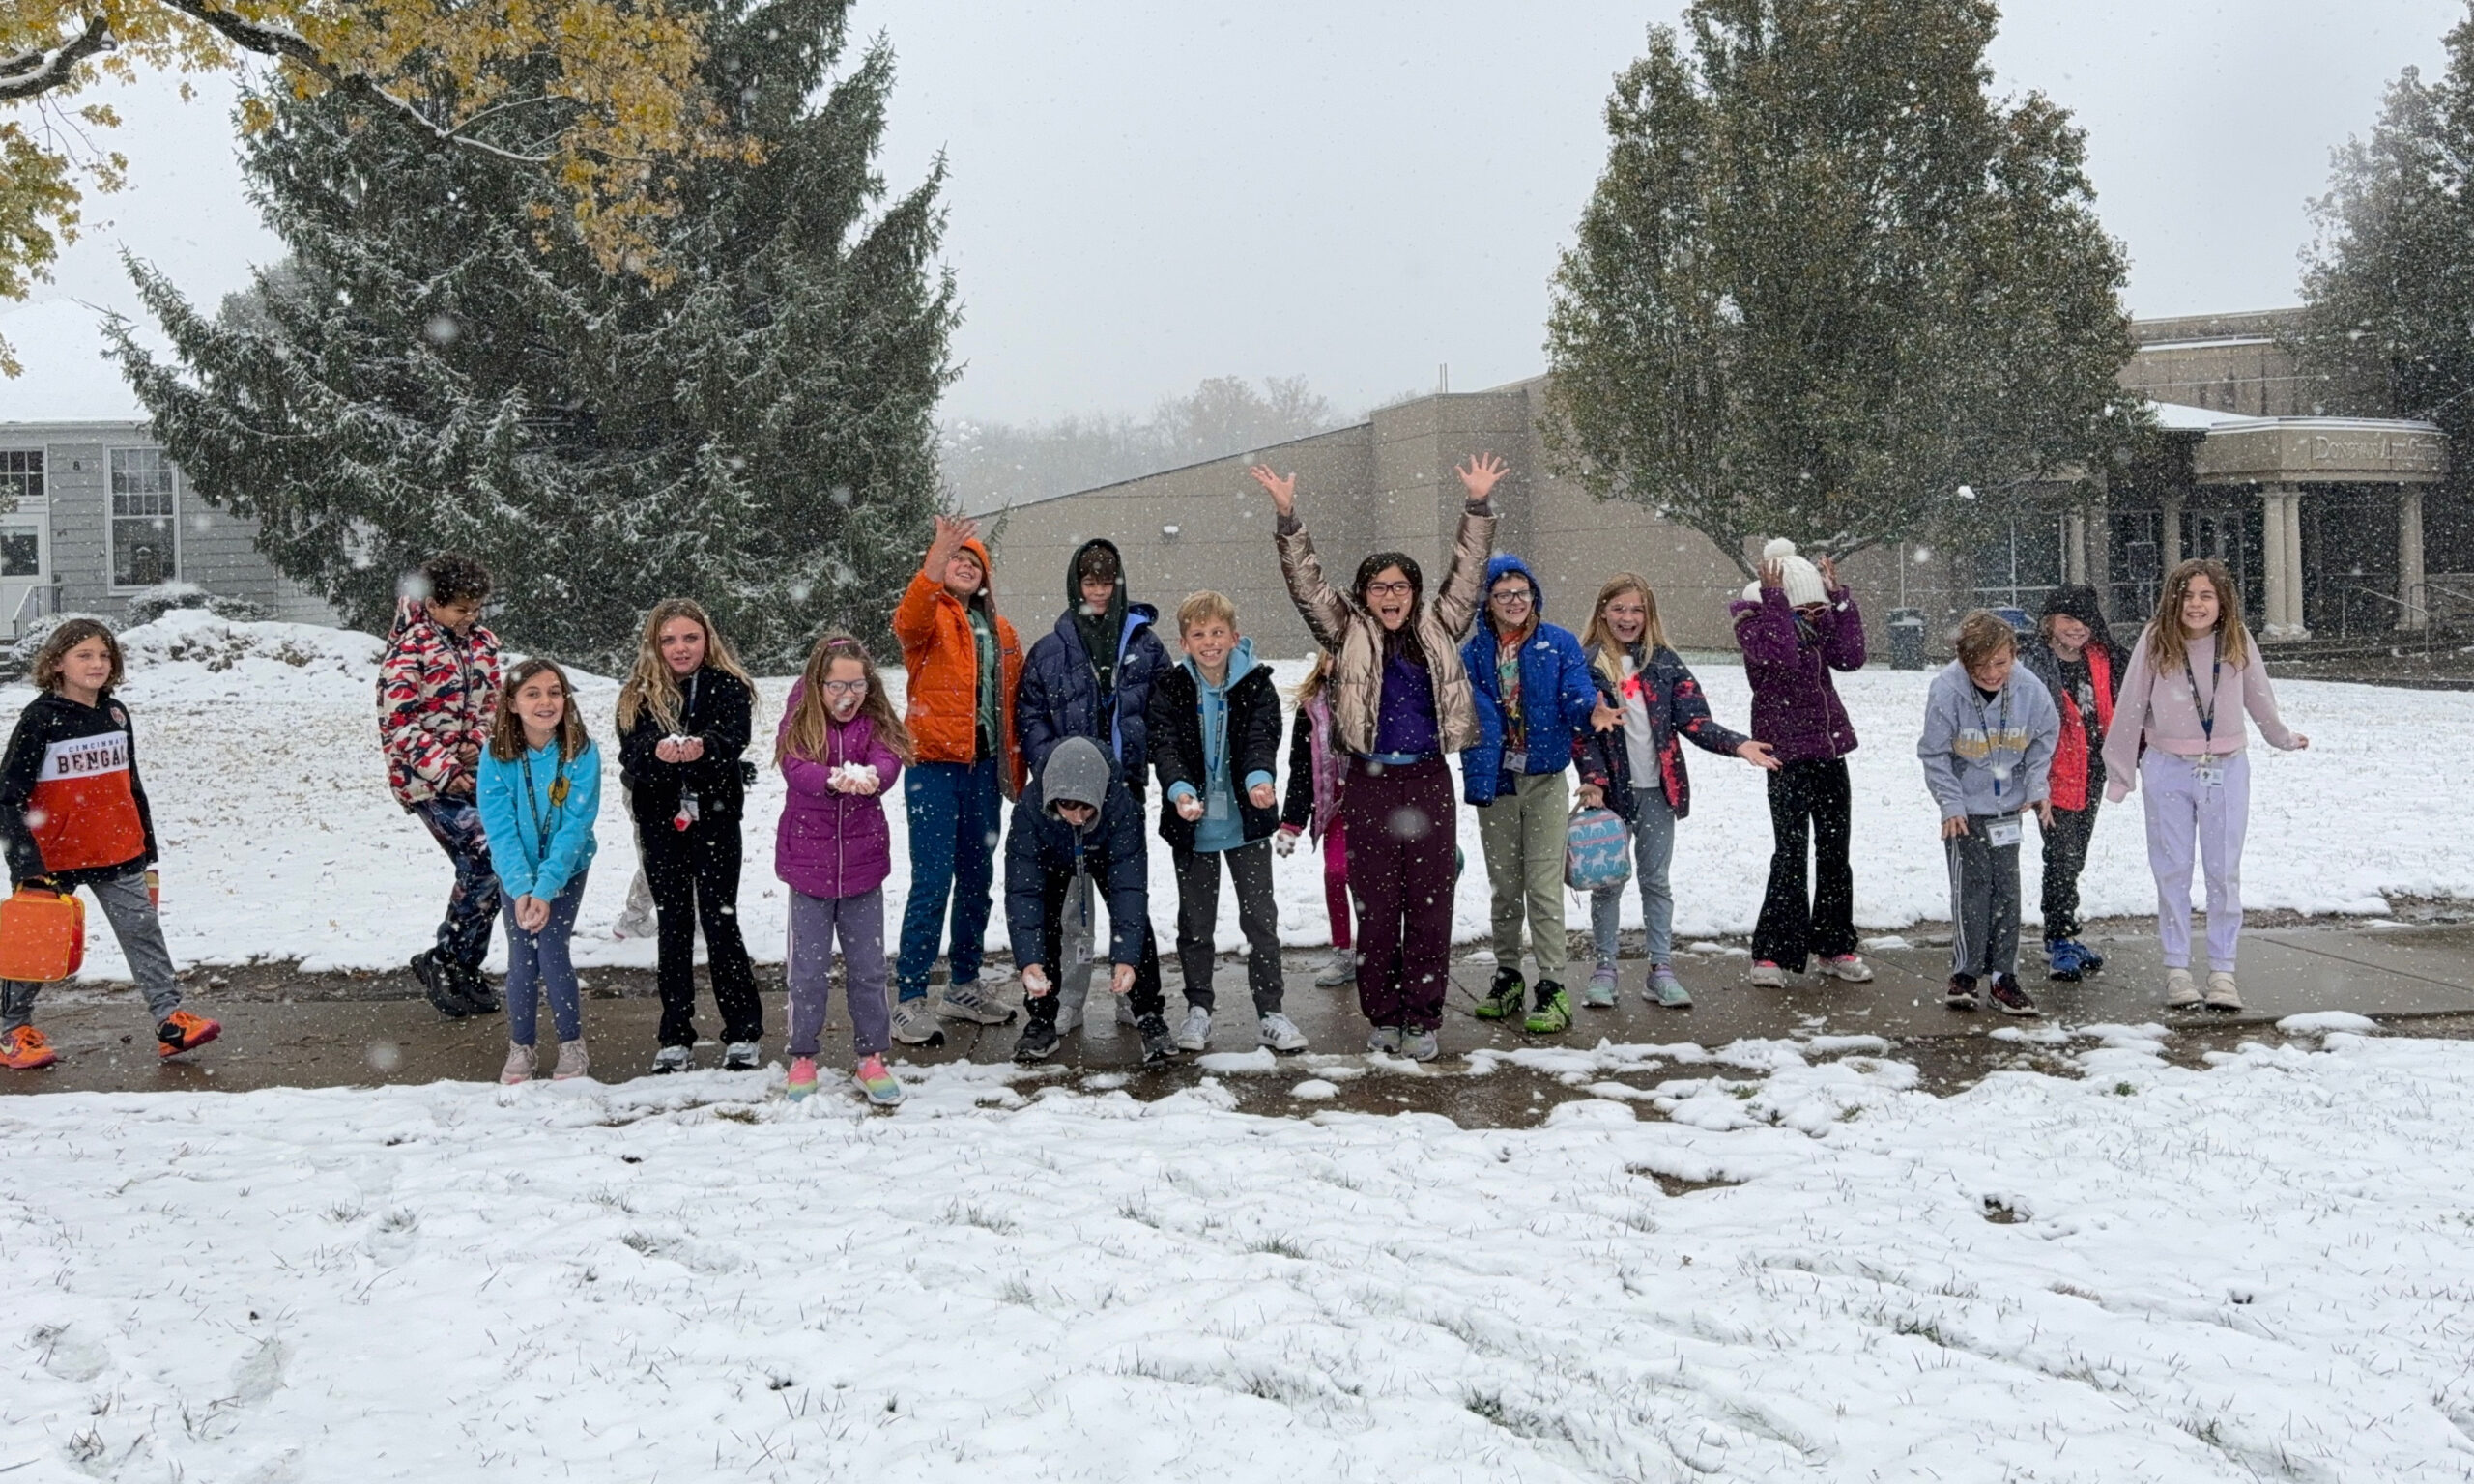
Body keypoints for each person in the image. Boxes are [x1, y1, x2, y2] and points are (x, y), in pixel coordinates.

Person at [1256, 451, 1502, 1063]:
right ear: (1364, 595)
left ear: (1414, 592)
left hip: (1428, 780)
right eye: (1379, 587)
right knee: (1377, 905)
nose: (1390, 596)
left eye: (1400, 586)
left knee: (1430, 905)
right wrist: (1289, 519)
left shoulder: (1441, 624)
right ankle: (1384, 1015)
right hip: (1367, 785)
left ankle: (1423, 1016)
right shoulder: (1348, 631)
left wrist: (1477, 507)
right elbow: (1307, 586)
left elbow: (1468, 572)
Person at [0, 619, 219, 1070]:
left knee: (144, 934)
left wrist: (147, 849)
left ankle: (170, 1022)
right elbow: (8, 795)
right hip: (52, 859)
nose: (97, 664)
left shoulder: (116, 713)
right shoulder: (40, 720)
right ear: (57, 664)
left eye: (104, 655)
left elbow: (130, 784)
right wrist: (27, 866)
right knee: (36, 946)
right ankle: (11, 1031)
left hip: (118, 851)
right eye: (84, 655)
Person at [2100, 558, 2310, 1012]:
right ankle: (2178, 969)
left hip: (2225, 768)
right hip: (2167, 768)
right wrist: (2120, 772)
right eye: (2188, 596)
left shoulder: (2236, 639)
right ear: (2173, 600)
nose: (2196, 605)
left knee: (2223, 872)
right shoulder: (2156, 640)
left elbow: (2259, 696)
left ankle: (2222, 971)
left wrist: (2281, 737)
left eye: (2206, 596)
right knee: (2172, 869)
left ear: (2222, 601)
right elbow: (2131, 705)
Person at [1572, 574, 1778, 1010]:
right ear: (1603, 611)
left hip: (1658, 792)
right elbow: (1580, 732)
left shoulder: (1663, 662)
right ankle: (1605, 970)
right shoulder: (1585, 663)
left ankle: (1660, 970)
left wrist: (1737, 744)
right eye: (1619, 608)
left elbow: (1694, 719)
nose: (1628, 618)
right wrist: (1593, 780)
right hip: (1609, 796)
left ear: (1649, 614)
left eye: (1637, 609)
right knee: (1607, 883)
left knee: (1656, 881)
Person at [1013, 537, 1168, 1035]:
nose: (1098, 591)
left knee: (1128, 900)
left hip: (1123, 798)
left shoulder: (1144, 645)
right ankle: (1062, 1001)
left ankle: (1138, 999)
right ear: (1075, 585)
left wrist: (1145, 768)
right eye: (1089, 582)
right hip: (1066, 804)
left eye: (1106, 582)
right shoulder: (1050, 650)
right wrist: (1059, 774)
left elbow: (1165, 715)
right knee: (1065, 912)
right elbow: (1030, 716)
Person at [1461, 555, 1621, 1034]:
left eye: (1522, 592)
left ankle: (1552, 986)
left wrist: (1590, 710)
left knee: (1544, 886)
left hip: (1546, 779)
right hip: (1495, 780)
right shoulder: (1473, 653)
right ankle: (1508, 976)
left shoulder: (1559, 643)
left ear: (1534, 596)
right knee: (1505, 887)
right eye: (1503, 594)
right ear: (1488, 601)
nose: (1515, 602)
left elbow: (1575, 691)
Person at [1149, 590, 1305, 1054]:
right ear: (1184, 643)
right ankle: (1198, 1009)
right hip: (1192, 823)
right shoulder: (1171, 687)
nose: (1209, 642)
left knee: (1260, 918)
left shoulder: (1256, 684)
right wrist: (1180, 791)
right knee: (1195, 923)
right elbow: (1165, 746)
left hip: (1245, 823)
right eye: (1199, 634)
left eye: (1218, 632)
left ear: (1235, 637)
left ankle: (1271, 1012)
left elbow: (1261, 738)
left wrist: (1260, 781)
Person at [892, 514, 1026, 1045]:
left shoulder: (1002, 630)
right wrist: (934, 560)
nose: (965, 566)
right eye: (956, 559)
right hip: (933, 768)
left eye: (974, 562)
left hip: (984, 771)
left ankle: (964, 986)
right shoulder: (929, 619)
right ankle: (909, 997)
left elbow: (1017, 696)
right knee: (931, 882)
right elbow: (908, 619)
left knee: (976, 880)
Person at [617, 599, 762, 1073]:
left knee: (721, 920)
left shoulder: (729, 685)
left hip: (716, 817)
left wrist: (704, 749)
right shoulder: (638, 693)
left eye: (690, 638)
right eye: (669, 640)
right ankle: (675, 1035)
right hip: (661, 821)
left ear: (707, 639)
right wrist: (658, 754)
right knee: (674, 924)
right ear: (654, 644)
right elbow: (631, 752)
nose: (680, 648)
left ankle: (743, 1031)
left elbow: (733, 738)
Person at [775, 634, 910, 1107]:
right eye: (837, 686)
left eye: (856, 685)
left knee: (869, 970)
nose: (847, 696)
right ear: (818, 684)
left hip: (863, 866)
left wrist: (875, 776)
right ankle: (802, 1056)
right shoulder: (801, 715)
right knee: (807, 972)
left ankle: (871, 1056)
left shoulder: (874, 719)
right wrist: (831, 779)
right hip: (808, 868)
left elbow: (888, 758)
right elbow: (794, 765)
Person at [1733, 538, 1874, 988]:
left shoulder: (1816, 621)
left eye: (1818, 610)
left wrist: (1839, 600)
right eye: (1805, 610)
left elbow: (1851, 657)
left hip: (1829, 752)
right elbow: (1782, 657)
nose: (1814, 617)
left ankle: (1834, 945)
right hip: (1784, 756)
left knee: (1835, 853)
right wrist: (1777, 602)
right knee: (1790, 853)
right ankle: (1772, 952)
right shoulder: (1755, 624)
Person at [380, 553, 506, 1019]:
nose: (470, 617)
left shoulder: (483, 644)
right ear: (433, 604)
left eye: (476, 608)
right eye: (460, 609)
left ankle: (461, 963)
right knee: (485, 854)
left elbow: (492, 705)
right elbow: (399, 723)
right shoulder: (409, 650)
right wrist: (447, 768)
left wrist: (476, 742)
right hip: (426, 782)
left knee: (497, 864)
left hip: (474, 773)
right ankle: (446, 958)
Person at [1919, 612, 2060, 1016]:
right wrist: (1951, 803)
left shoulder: (2030, 690)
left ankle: (2004, 977)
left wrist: (2036, 787)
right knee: (1972, 889)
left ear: (2014, 654)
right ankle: (1964, 974)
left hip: (2008, 810)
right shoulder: (1947, 689)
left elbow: (2044, 739)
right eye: (1980, 665)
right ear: (1963, 660)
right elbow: (1935, 753)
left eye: (2001, 662)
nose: (1992, 673)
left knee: (2008, 891)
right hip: (1965, 812)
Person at [1005, 737, 1173, 1066]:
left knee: (1136, 924)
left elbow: (1129, 894)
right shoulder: (1030, 810)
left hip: (1105, 851)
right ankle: (1041, 1019)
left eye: (1086, 808)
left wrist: (1126, 959)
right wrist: (1029, 963)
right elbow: (1024, 894)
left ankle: (1149, 1014)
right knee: (1044, 918)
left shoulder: (1122, 807)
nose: (1078, 817)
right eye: (1068, 807)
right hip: (1053, 855)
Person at [477, 658, 601, 1083]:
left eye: (554, 692)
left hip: (566, 869)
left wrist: (546, 887)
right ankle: (521, 1046)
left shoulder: (581, 752)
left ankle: (570, 1044)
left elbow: (576, 826)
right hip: (516, 872)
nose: (545, 702)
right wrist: (521, 886)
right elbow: (500, 828)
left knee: (551, 950)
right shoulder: (496, 756)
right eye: (532, 694)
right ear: (512, 704)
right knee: (522, 957)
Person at [2018, 585, 2128, 982]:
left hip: (2092, 771)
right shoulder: (2033, 663)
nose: (2077, 628)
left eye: (2084, 620)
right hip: (2053, 775)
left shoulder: (2104, 658)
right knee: (2061, 855)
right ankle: (2060, 936)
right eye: (2068, 619)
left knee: (2075, 854)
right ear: (2049, 622)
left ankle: (2065, 930)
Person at [1276, 653, 1355, 987]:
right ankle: (1344, 951)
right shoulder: (1310, 709)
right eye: (1332, 655)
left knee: (1376, 883)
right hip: (1335, 809)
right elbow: (1301, 770)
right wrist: (1291, 824)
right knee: (1336, 873)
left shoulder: (1376, 695)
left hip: (1376, 807)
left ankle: (1381, 951)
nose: (1339, 662)